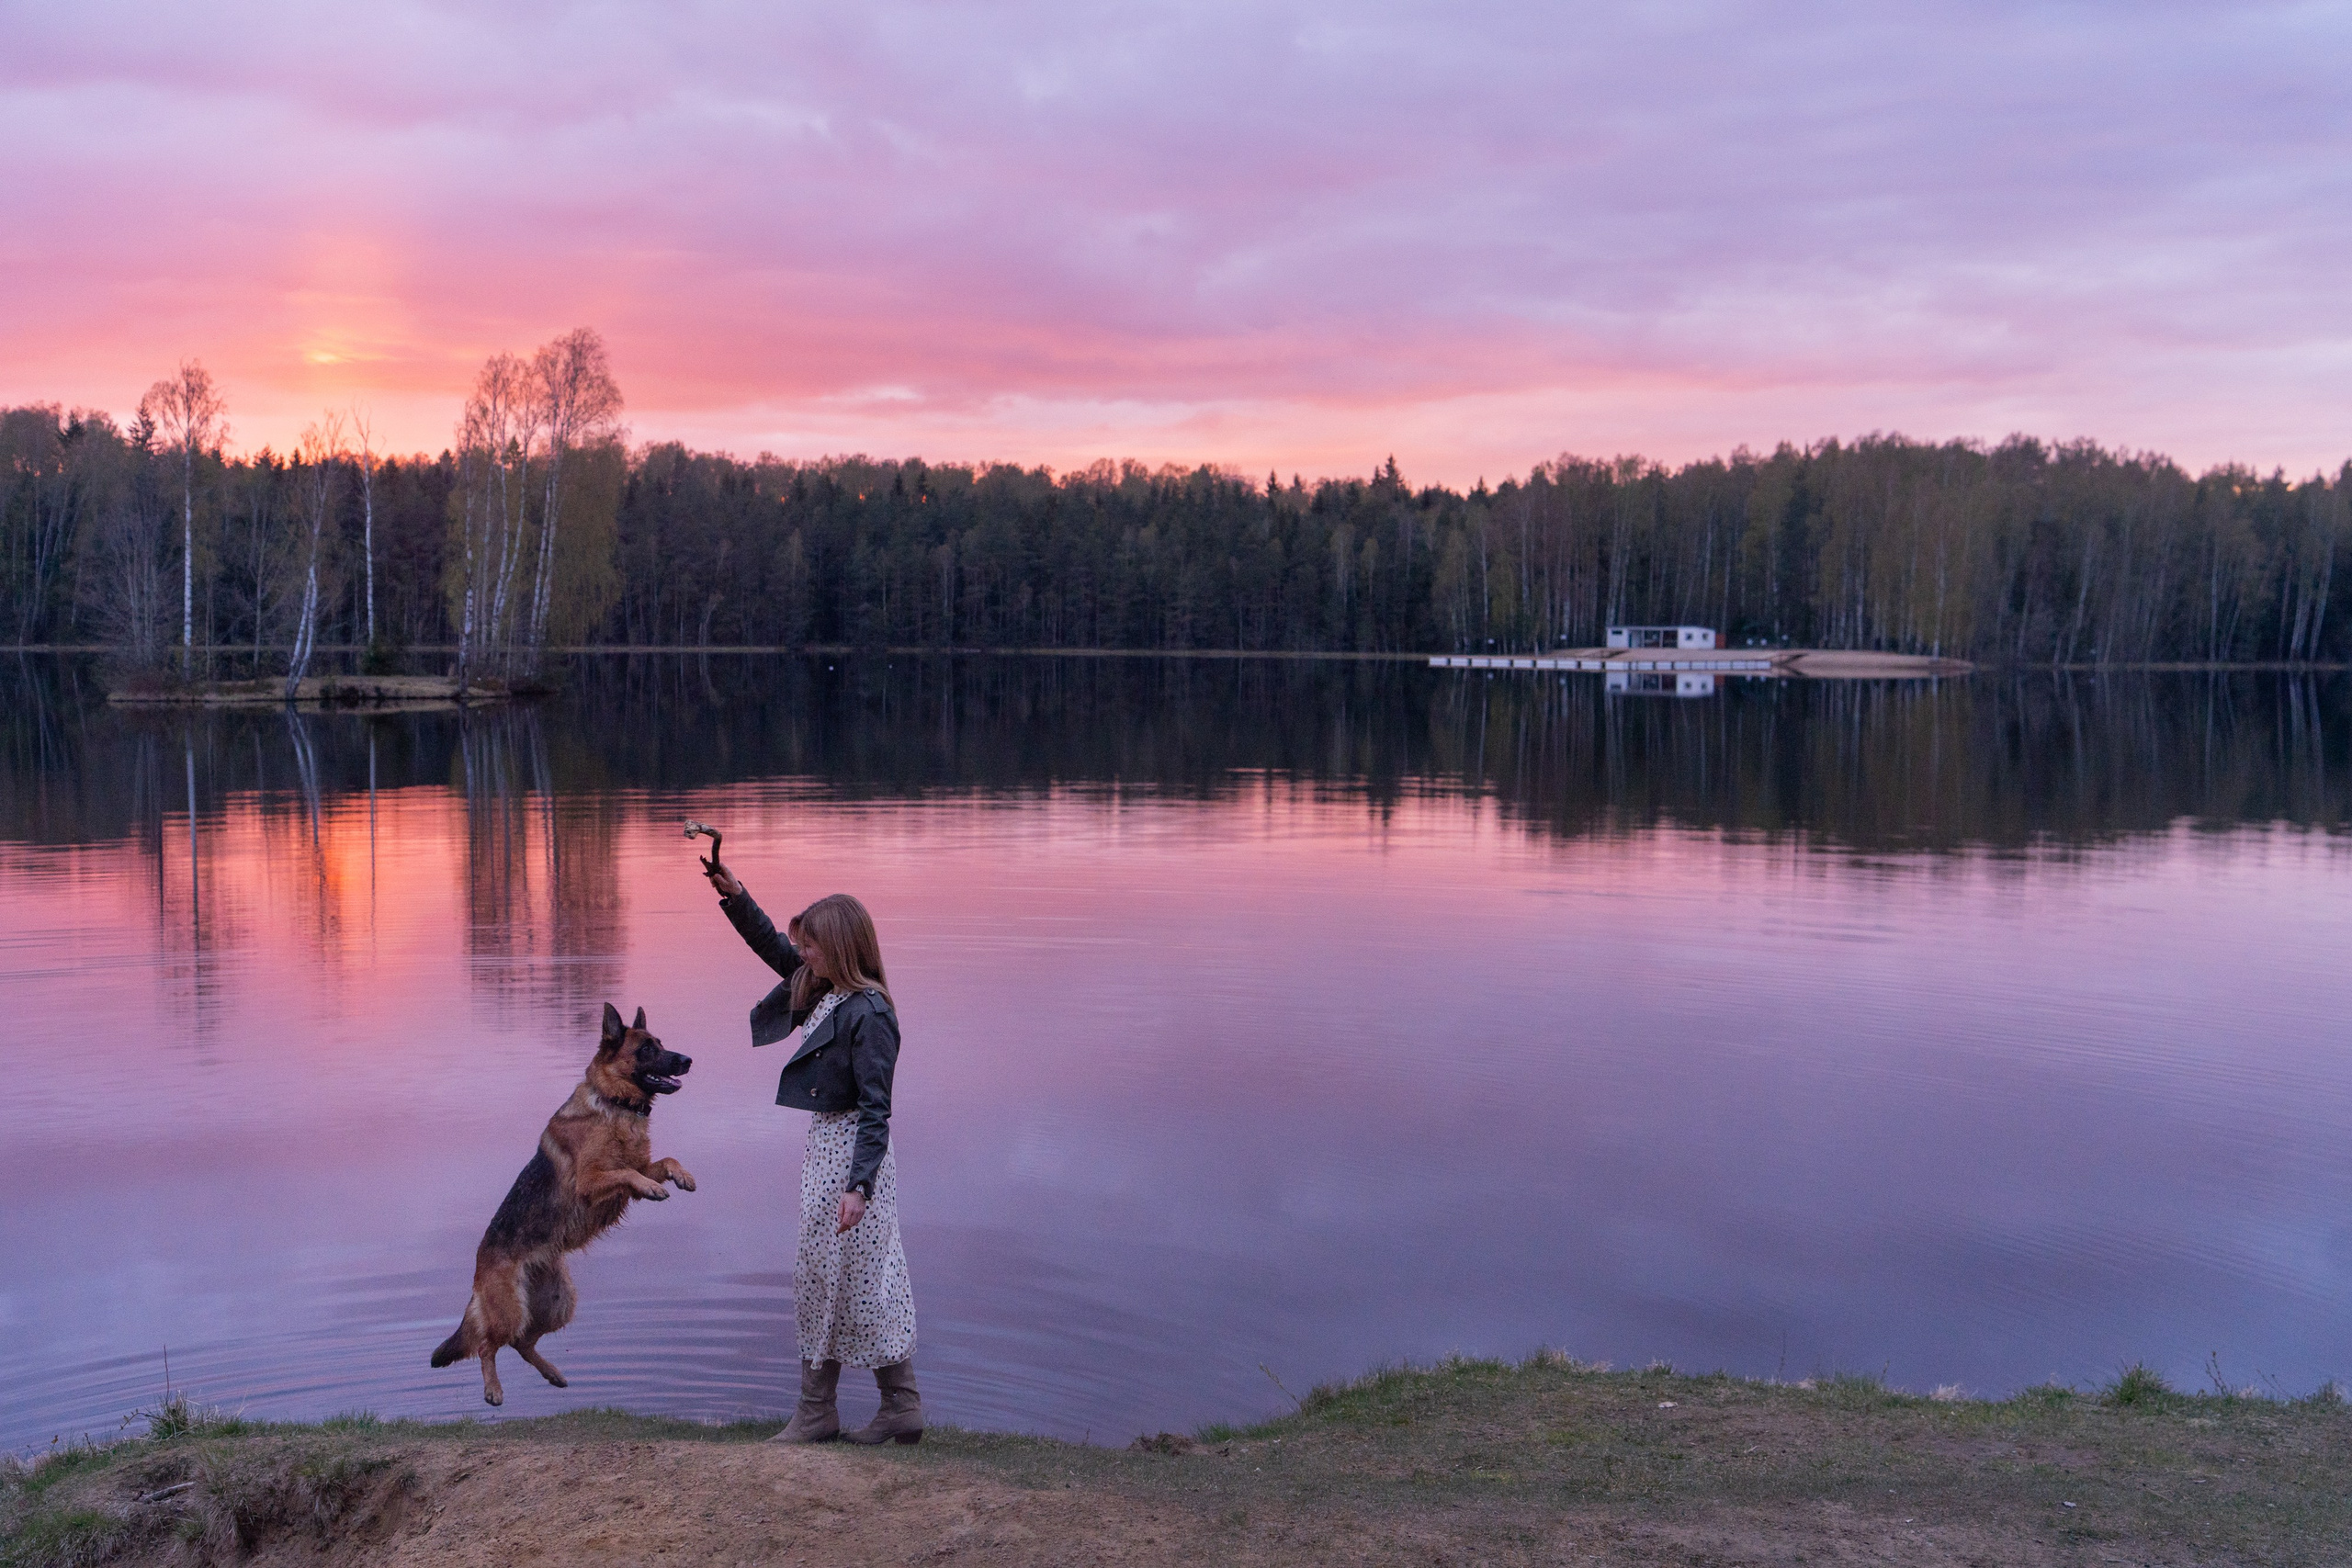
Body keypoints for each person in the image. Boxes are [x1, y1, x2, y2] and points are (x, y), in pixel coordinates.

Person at [703, 851, 922, 1445]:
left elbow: (878, 1108)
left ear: (842, 948)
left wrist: (859, 1186)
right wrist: (735, 894)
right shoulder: (823, 990)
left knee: (856, 1276)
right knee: (830, 1275)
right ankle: (866, 1407)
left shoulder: (870, 1012)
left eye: (813, 945)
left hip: (855, 1154)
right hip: (827, 1147)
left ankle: (845, 1408)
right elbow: (774, 947)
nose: (802, 954)